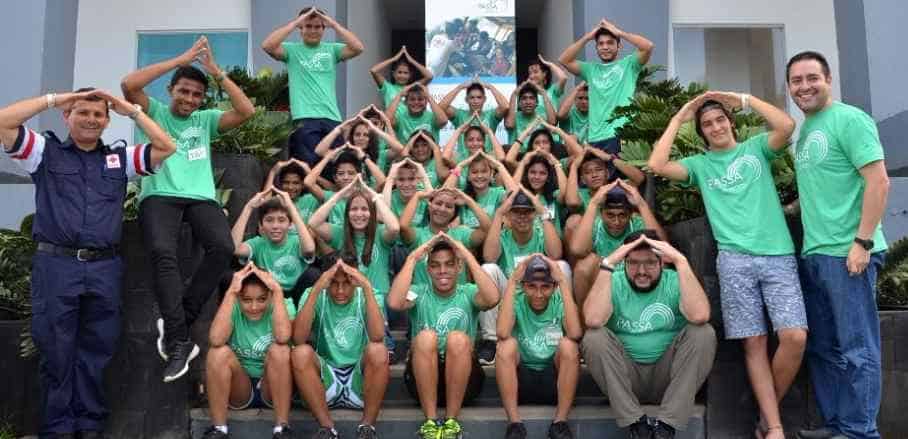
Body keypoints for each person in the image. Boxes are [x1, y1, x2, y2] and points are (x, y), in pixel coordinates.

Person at [1, 88, 174, 438]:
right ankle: (58, 429)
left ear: (107, 121)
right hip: (56, 267)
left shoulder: (119, 159)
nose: (92, 120)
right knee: (55, 350)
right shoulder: (44, 153)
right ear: (68, 116)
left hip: (103, 269)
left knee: (99, 349)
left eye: (99, 114)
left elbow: (166, 147)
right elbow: (4, 121)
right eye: (83, 112)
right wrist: (52, 99)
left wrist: (132, 112)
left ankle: (90, 425)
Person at [648, 91, 806, 439]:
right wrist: (679, 117)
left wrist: (746, 99)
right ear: (701, 132)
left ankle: (766, 411)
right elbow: (657, 165)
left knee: (794, 337)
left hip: (777, 255)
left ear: (731, 122)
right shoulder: (700, 166)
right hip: (734, 261)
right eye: (707, 124)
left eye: (720, 120)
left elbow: (787, 124)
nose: (715, 126)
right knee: (754, 344)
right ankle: (774, 427)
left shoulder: (756, 149)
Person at [120, 36, 255, 382]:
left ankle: (180, 317)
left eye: (197, 94)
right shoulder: (154, 112)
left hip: (201, 197)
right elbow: (128, 85)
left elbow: (246, 111)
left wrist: (216, 72)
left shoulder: (206, 119)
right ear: (171, 90)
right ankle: (180, 340)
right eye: (184, 91)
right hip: (160, 193)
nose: (190, 99)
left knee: (223, 248)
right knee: (163, 252)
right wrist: (181, 57)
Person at [786, 51, 889, 439]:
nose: (804, 86)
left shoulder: (850, 120)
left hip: (848, 254)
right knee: (824, 349)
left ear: (828, 80)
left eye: (812, 78)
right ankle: (837, 425)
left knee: (857, 349)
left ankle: (861, 430)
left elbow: (878, 182)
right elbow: (824, 183)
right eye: (796, 81)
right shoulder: (808, 129)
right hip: (815, 253)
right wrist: (788, 208)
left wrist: (862, 242)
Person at [583, 232, 716, 439]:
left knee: (703, 333)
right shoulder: (614, 280)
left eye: (650, 263)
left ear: (663, 262)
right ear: (623, 262)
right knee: (594, 338)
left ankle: (666, 426)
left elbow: (700, 315)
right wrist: (608, 264)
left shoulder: (675, 279)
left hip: (670, 379)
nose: (642, 271)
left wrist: (681, 261)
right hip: (625, 380)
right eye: (633, 263)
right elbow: (592, 320)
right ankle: (637, 424)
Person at [388, 234, 500, 439]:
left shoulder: (468, 292)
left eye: (449, 264)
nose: (442, 271)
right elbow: (395, 303)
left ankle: (451, 422)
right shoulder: (418, 293)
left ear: (458, 267)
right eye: (436, 265)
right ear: (428, 269)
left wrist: (466, 255)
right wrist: (413, 258)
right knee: (425, 338)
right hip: (422, 382)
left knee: (457, 339)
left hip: (464, 382)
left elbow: (493, 298)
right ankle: (430, 422)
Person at [291, 260, 390, 439]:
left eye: (346, 283)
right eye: (334, 283)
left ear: (355, 280)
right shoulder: (314, 293)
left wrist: (366, 287)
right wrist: (316, 290)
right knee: (300, 353)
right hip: (326, 380)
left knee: (378, 350)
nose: (340, 291)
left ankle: (367, 428)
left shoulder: (370, 293)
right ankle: (328, 429)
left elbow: (377, 336)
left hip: (359, 380)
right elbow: (298, 339)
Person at [261, 7, 364, 166]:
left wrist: (333, 24)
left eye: (318, 27)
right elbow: (268, 45)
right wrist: (295, 22)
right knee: (308, 166)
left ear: (324, 29)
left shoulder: (332, 49)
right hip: (304, 117)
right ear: (300, 29)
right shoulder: (291, 50)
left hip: (332, 117)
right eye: (308, 26)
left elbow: (358, 48)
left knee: (337, 166)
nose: (313, 30)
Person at [202, 265, 295, 439]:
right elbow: (215, 339)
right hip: (241, 387)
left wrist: (277, 291)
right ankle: (219, 429)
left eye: (261, 299)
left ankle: (282, 429)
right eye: (246, 300)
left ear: (270, 294)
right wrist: (231, 292)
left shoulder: (281, 303)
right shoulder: (233, 305)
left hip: (272, 386)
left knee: (280, 350)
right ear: (239, 297)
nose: (254, 307)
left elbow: (283, 337)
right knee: (217, 353)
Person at [496, 255, 581, 439]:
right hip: (521, 381)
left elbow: (575, 333)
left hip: (554, 379)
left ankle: (560, 423)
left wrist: (563, 282)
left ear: (554, 287)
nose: (539, 294)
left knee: (569, 345)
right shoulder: (516, 299)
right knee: (505, 346)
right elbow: (502, 332)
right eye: (531, 287)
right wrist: (512, 282)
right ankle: (514, 424)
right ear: (524, 286)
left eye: (546, 287)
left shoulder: (559, 300)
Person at [479, 188, 567, 365]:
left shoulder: (542, 234)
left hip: (538, 291)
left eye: (526, 211)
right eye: (516, 212)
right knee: (487, 269)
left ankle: (563, 330)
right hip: (510, 293)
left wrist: (542, 211)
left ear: (533, 214)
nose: (522, 216)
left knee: (562, 267)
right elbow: (489, 256)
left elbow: (556, 253)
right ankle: (490, 340)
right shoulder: (503, 236)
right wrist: (498, 214)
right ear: (509, 215)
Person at [558, 18, 653, 154]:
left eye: (610, 43)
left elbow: (648, 46)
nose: (605, 47)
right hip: (596, 137)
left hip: (622, 134)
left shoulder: (630, 64)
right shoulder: (590, 70)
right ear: (596, 47)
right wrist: (587, 37)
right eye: (600, 44)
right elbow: (563, 60)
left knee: (622, 176)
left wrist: (619, 33)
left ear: (619, 46)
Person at [571, 180, 666, 309]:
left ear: (630, 214)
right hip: (604, 281)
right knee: (583, 265)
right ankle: (584, 322)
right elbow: (577, 250)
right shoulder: (596, 223)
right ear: (601, 213)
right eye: (610, 215)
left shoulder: (636, 222)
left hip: (634, 278)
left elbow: (663, 248)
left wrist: (641, 204)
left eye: (622, 215)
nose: (616, 222)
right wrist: (593, 203)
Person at [231, 188, 317, 304]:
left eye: (281, 220)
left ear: (290, 224)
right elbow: (234, 248)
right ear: (261, 225)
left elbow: (309, 249)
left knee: (312, 274)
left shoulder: (297, 241)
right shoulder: (257, 243)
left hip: (298, 294)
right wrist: (249, 207)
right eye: (269, 220)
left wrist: (291, 207)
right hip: (269, 295)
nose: (275, 226)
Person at [399, 186, 491, 287]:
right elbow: (403, 226)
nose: (442, 209)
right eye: (438, 203)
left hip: (458, 298)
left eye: (449, 206)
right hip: (424, 298)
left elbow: (487, 229)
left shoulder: (461, 233)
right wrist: (417, 196)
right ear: (429, 206)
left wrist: (468, 200)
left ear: (453, 213)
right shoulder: (418, 235)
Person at [438, 79, 509, 154]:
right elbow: (441, 107)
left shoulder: (490, 115)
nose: (475, 101)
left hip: (486, 161)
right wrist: (459, 87)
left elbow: (505, 106)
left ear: (484, 99)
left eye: (479, 97)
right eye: (472, 98)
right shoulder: (459, 115)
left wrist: (490, 87)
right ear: (466, 99)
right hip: (464, 161)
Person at [513, 150, 568, 235]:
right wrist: (523, 162)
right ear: (526, 174)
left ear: (548, 177)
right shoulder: (522, 197)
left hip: (551, 245)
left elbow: (565, 192)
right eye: (532, 172)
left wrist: (556, 163)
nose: (537, 177)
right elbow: (512, 190)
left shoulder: (554, 196)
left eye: (542, 173)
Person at [370, 45, 434, 110]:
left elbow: (429, 76)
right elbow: (373, 70)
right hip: (390, 119)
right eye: (399, 72)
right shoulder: (387, 87)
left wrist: (411, 60)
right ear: (393, 74)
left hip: (408, 120)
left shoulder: (412, 87)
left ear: (410, 75)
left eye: (405, 73)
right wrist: (394, 58)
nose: (402, 76)